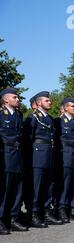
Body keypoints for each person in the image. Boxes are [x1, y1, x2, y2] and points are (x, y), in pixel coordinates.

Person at [25, 91, 62, 227]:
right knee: (36, 185)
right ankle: (33, 213)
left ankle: (46, 212)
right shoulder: (34, 117)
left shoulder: (49, 118)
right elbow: (28, 139)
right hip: (38, 155)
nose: (50, 102)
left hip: (48, 154)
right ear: (39, 102)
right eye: (47, 100)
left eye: (50, 100)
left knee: (48, 185)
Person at [0, 88, 28, 234]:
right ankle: (1, 219)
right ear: (6, 100)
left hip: (17, 154)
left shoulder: (18, 114)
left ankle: (14, 218)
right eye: (15, 97)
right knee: (5, 189)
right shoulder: (1, 114)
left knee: (17, 188)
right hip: (6, 153)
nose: (18, 99)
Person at [54, 97, 74, 222]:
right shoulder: (59, 121)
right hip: (65, 154)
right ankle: (61, 208)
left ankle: (73, 208)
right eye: (72, 106)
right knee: (65, 183)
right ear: (65, 107)